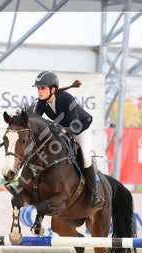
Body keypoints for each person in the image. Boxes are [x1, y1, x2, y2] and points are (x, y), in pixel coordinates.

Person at [31, 70, 103, 209]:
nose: (39, 91)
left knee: (85, 157)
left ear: (53, 89)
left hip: (80, 128)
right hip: (62, 128)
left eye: (43, 88)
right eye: (38, 88)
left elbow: (75, 124)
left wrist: (64, 130)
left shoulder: (66, 99)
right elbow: (36, 122)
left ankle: (94, 194)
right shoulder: (41, 103)